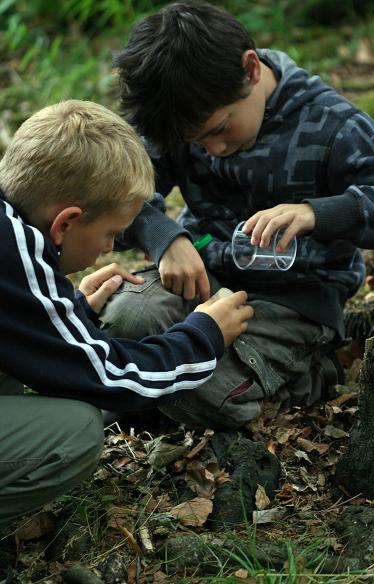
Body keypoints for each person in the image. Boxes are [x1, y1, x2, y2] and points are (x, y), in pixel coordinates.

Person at [100, 0, 374, 429]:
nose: (212, 150)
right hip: (201, 278)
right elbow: (114, 192)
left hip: (294, 305)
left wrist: (318, 213)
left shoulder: (336, 127)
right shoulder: (182, 113)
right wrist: (163, 235)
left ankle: (307, 374)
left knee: (191, 384)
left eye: (219, 130)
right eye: (194, 142)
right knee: (125, 321)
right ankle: (157, 398)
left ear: (251, 69)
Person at [0, 99, 253, 529]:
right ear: (65, 224)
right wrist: (204, 335)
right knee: (76, 431)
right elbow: (106, 379)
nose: (107, 248)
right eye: (111, 234)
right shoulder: (14, 251)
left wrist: (65, 310)